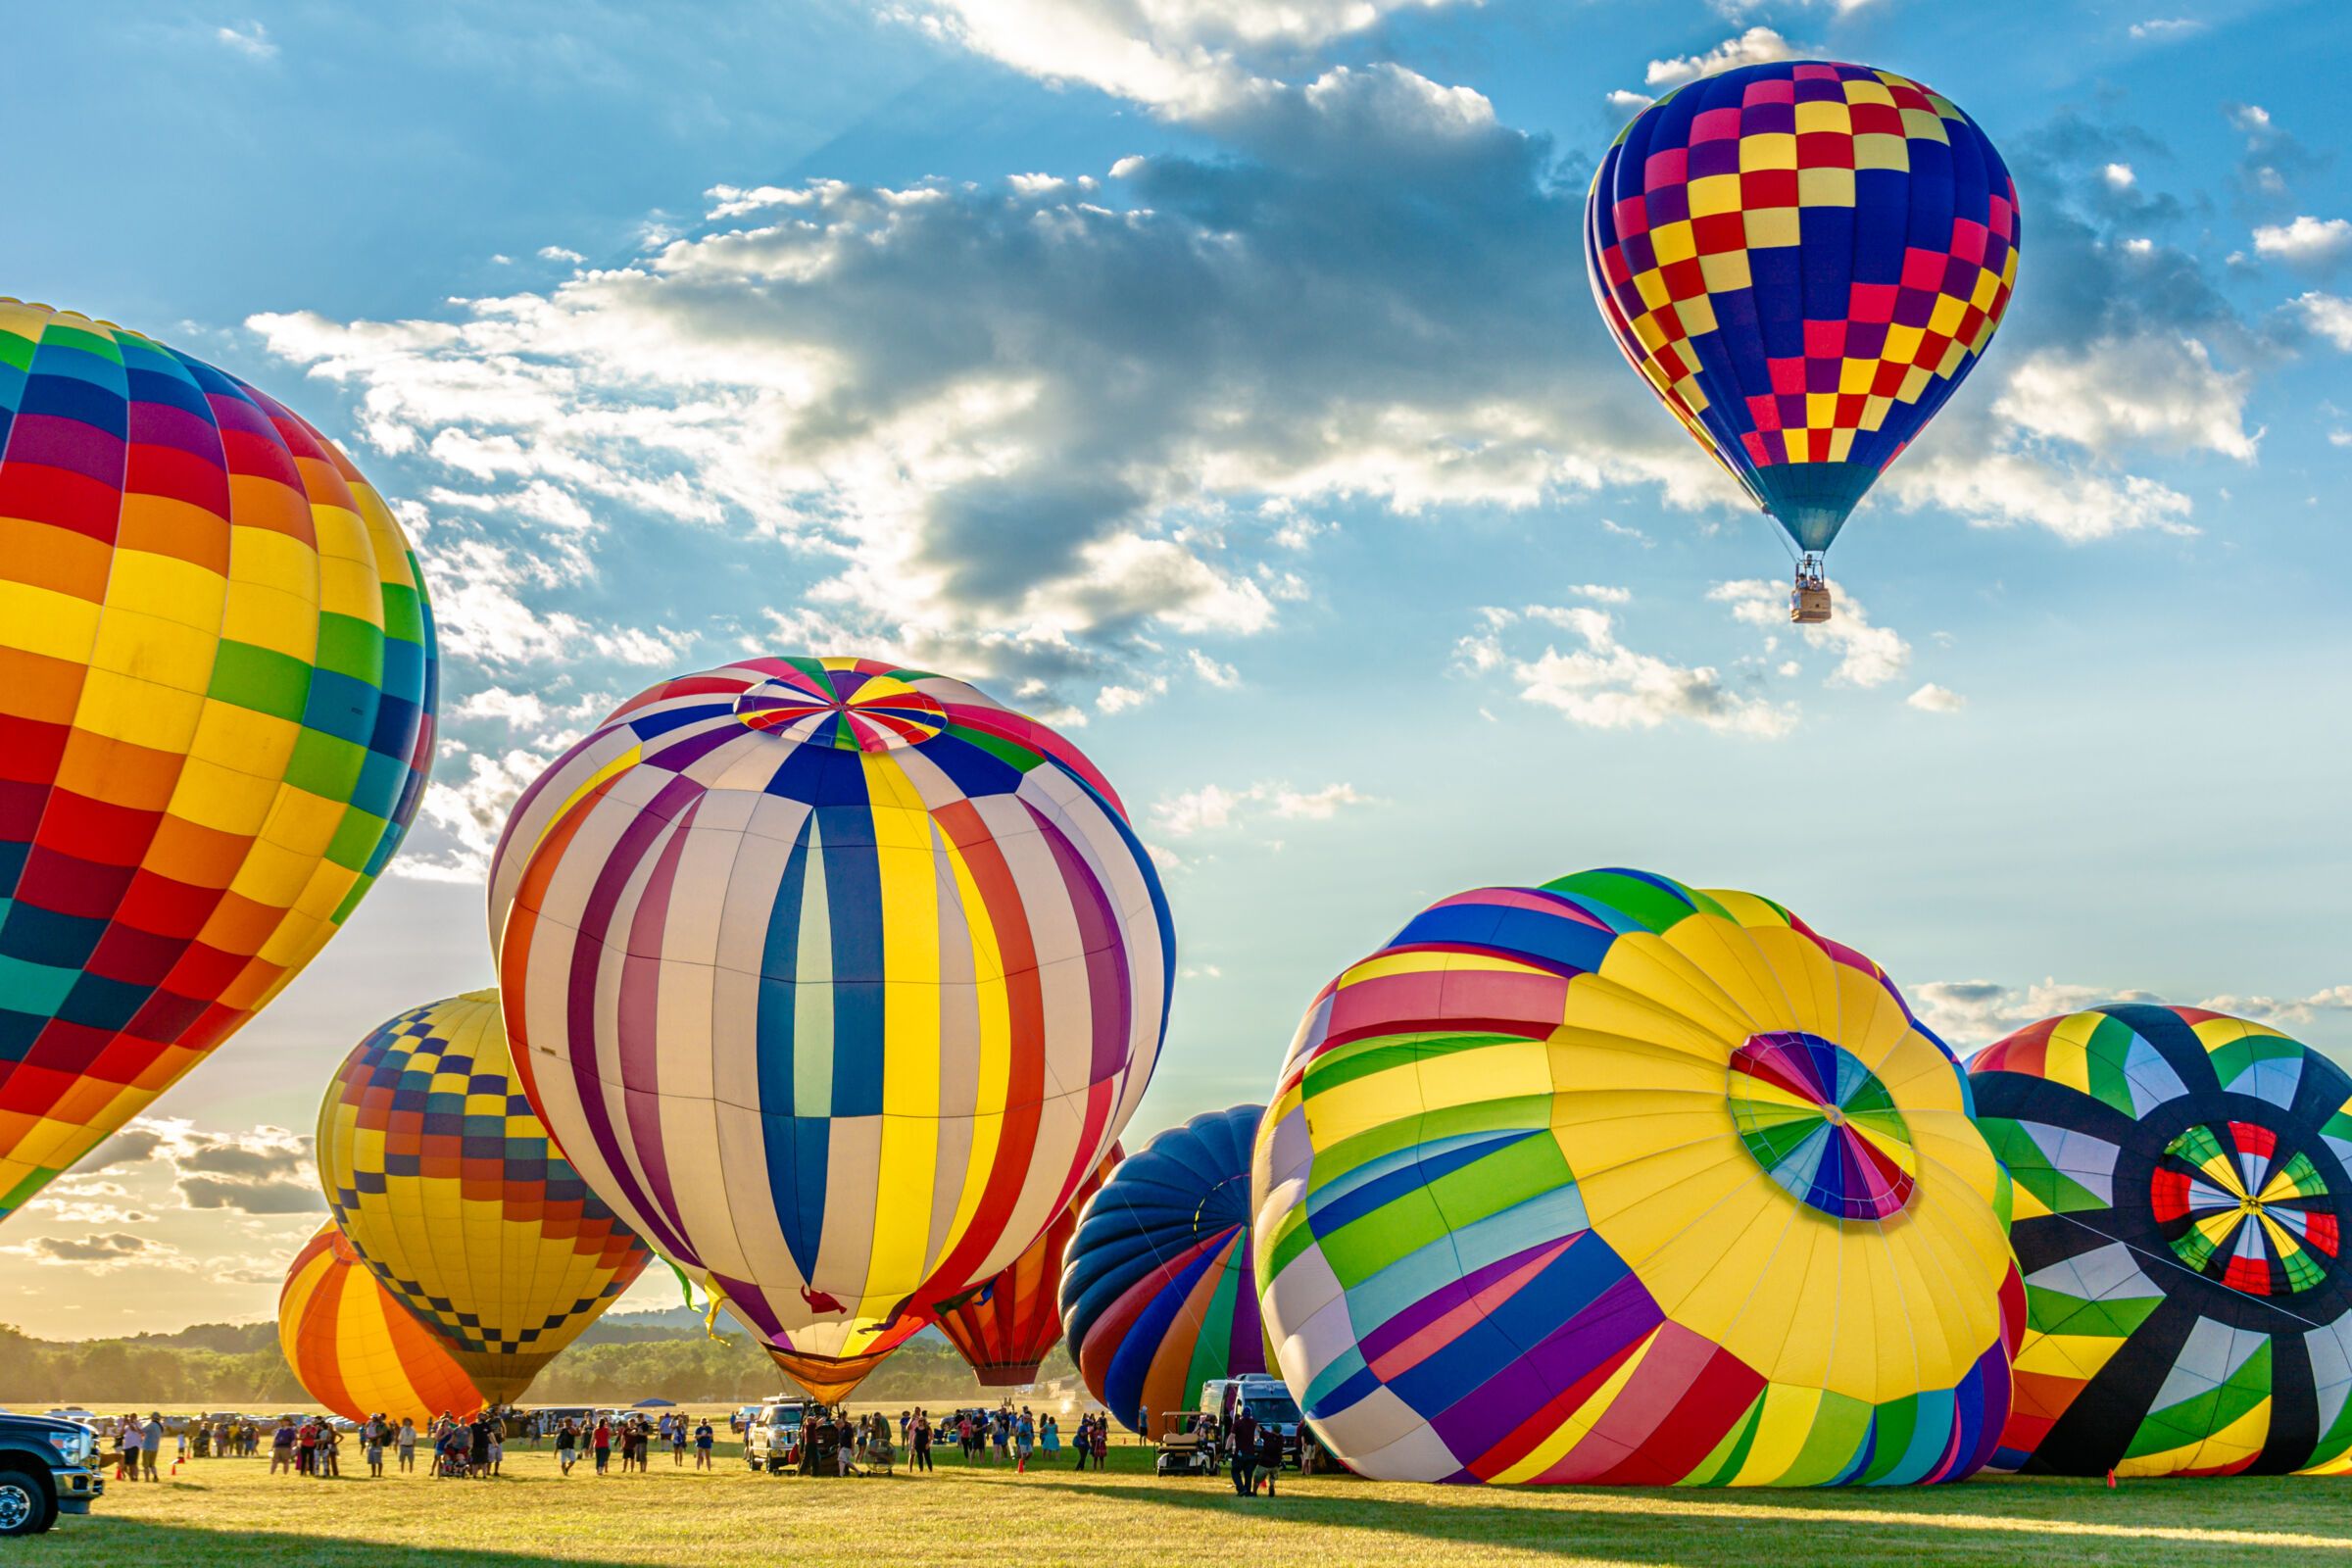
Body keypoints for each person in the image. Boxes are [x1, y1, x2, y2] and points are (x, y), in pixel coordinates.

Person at [1227, 1404, 1259, 1496]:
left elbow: (1231, 1436)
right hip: (1251, 1453)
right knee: (1248, 1473)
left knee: (1235, 1471)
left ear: (1241, 1414)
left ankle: (1241, 1489)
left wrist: (1226, 1448)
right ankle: (1248, 1491)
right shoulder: (1254, 1423)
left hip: (1240, 1453)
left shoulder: (1237, 1423)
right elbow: (1258, 1434)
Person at [1254, 1418, 1285, 1497]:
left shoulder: (1268, 1436)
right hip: (1275, 1464)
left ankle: (1254, 1492)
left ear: (1273, 1430)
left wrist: (1257, 1425)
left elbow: (1261, 1431)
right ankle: (1271, 1486)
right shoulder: (1281, 1438)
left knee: (1257, 1478)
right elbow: (1267, 1432)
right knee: (1272, 1478)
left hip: (1264, 1463)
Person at [140, 1412, 164, 1481]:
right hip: (155, 1448)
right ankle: (155, 1476)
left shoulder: (152, 1424)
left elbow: (141, 1430)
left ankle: (147, 1479)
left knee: (145, 1465)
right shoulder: (160, 1426)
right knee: (152, 1464)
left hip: (147, 1447)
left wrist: (134, 1426)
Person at [1014, 1409, 1034, 1474]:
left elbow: (1030, 1431)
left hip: (1028, 1442)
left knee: (1030, 1453)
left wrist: (1030, 1437)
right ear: (1025, 1419)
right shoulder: (1021, 1426)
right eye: (1028, 1419)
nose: (1029, 1420)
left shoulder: (1028, 1424)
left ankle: (1022, 1462)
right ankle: (1022, 1466)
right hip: (1022, 1442)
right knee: (1024, 1455)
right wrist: (1025, 1434)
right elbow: (1019, 1434)